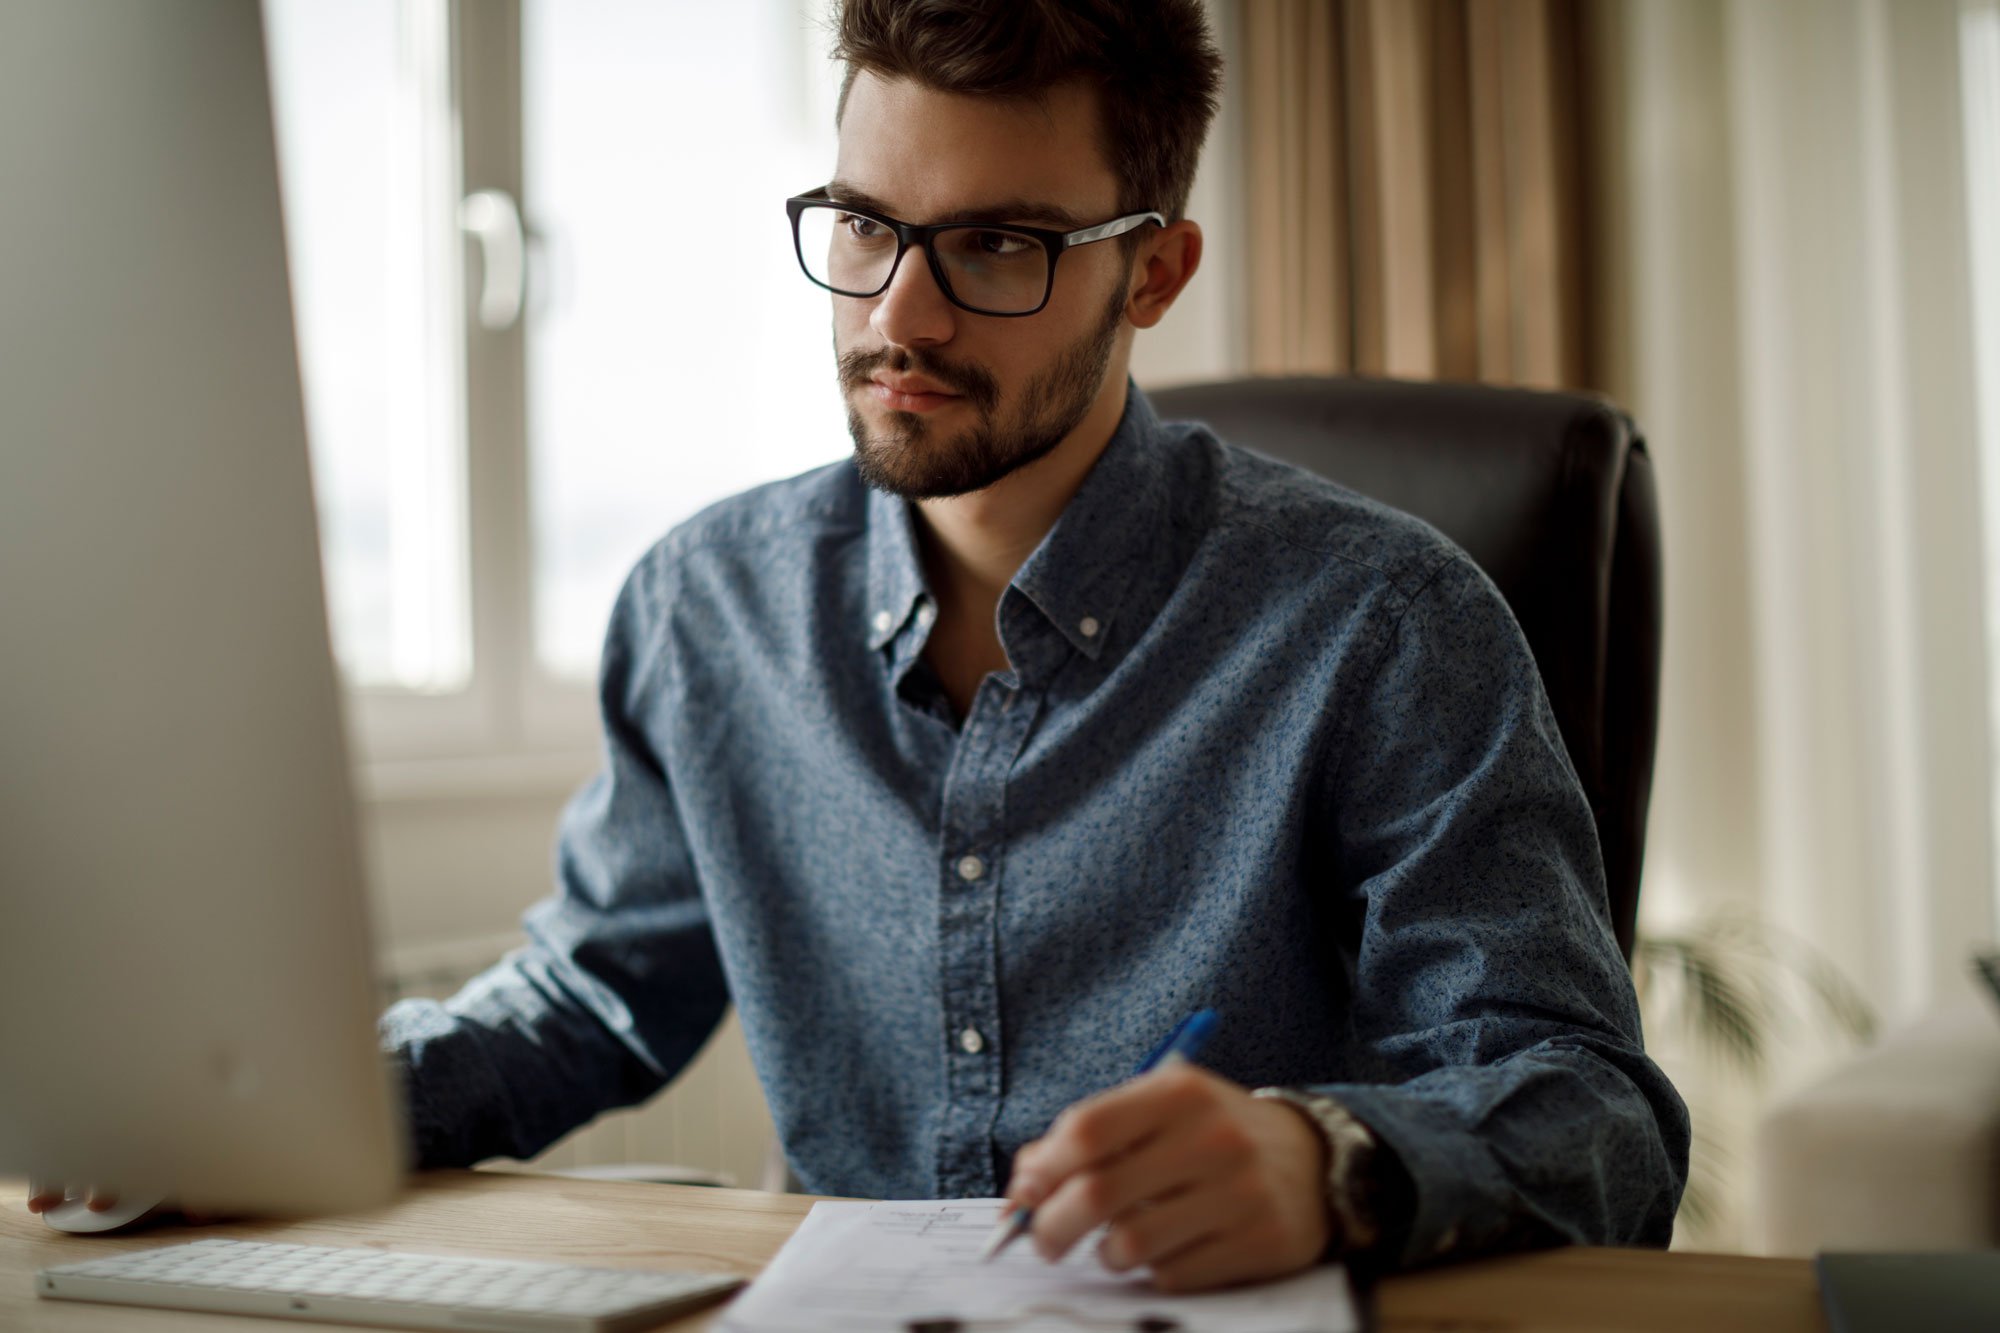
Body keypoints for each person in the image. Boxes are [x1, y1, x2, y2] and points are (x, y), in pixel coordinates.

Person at [33, 0, 1688, 1290]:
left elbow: (1591, 1110)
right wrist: (235, 1126)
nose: (899, 312)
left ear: (1157, 272)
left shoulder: (1383, 624)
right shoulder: (706, 606)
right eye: (864, 224)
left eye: (995, 247)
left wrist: (1324, 1159)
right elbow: (591, 999)